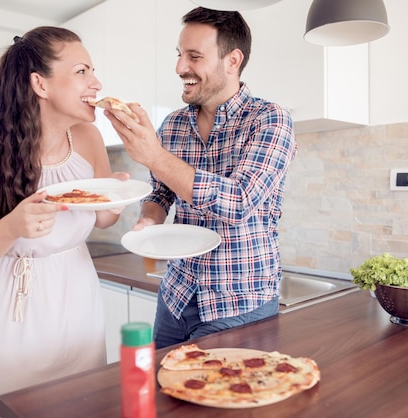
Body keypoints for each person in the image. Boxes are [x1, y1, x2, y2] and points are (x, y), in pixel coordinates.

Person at [0, 26, 126, 417]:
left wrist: (117, 196)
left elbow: (102, 219)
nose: (96, 82)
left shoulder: (89, 137)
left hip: (78, 300)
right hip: (10, 310)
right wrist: (12, 226)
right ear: (40, 84)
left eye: (93, 71)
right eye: (82, 71)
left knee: (83, 406)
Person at [103, 8, 297, 349]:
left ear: (232, 60)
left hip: (239, 303)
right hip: (176, 295)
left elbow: (239, 202)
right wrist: (150, 217)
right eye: (180, 55)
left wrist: (154, 155)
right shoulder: (174, 124)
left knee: (216, 400)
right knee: (162, 394)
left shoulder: (270, 119)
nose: (180, 68)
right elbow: (162, 192)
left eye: (194, 56)